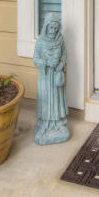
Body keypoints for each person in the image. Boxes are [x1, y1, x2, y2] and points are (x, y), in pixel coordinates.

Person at [33, 13, 69, 145]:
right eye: (51, 28)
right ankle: (45, 124)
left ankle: (58, 123)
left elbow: (64, 53)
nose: (53, 31)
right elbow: (35, 58)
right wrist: (47, 63)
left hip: (56, 77)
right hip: (46, 76)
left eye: (56, 28)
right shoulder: (40, 41)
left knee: (57, 99)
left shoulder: (60, 40)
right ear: (46, 27)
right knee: (46, 99)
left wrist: (60, 64)